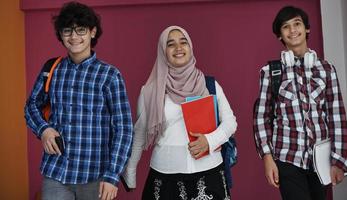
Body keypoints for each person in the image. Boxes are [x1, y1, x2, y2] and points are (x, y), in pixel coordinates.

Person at [24, 2, 133, 200]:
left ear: (92, 32)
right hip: (56, 173)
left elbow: (124, 129)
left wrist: (112, 175)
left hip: (96, 176)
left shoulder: (109, 75)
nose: (74, 37)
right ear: (61, 35)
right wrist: (44, 130)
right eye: (68, 31)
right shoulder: (52, 69)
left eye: (81, 30)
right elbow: (31, 106)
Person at [122, 25, 237, 200]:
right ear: (163, 51)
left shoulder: (209, 85)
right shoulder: (150, 91)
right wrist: (130, 171)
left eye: (183, 42)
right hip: (165, 176)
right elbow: (139, 133)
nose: (178, 48)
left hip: (209, 172)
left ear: (190, 47)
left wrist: (209, 141)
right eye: (170, 44)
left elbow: (230, 122)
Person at [253, 5, 347, 200]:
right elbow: (261, 118)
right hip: (287, 158)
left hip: (320, 160)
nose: (293, 30)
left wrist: (338, 161)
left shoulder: (327, 70)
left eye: (297, 24)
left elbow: (337, 117)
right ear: (280, 35)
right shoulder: (270, 72)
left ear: (307, 29)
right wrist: (267, 158)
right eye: (286, 27)